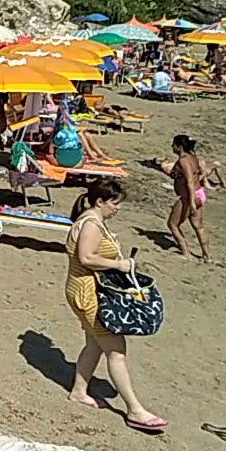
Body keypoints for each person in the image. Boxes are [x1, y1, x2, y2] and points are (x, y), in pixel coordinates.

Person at [64, 179, 167, 433]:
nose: (118, 208)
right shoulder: (91, 224)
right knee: (116, 350)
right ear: (101, 201)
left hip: (84, 290)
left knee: (94, 344)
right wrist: (119, 265)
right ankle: (135, 410)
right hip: (88, 293)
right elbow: (86, 257)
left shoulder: (94, 221)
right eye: (115, 203)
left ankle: (78, 391)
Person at [167, 134, 209, 262]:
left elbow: (190, 181)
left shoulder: (183, 160)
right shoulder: (193, 157)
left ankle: (186, 253)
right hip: (199, 194)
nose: (172, 146)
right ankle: (207, 256)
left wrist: (191, 203)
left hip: (189, 196)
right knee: (199, 226)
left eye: (174, 144)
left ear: (179, 147)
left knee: (172, 224)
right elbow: (200, 173)